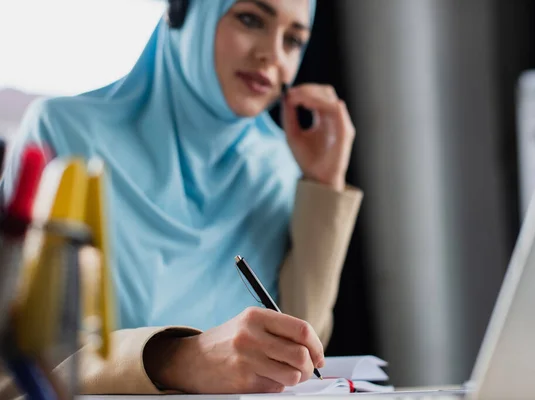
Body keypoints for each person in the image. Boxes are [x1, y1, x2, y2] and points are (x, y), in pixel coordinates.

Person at [0, 0, 362, 395]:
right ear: (182, 13)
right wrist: (176, 359)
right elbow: (16, 366)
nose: (272, 55)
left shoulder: (277, 167)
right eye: (249, 19)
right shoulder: (64, 137)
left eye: (293, 40)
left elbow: (297, 360)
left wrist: (325, 183)